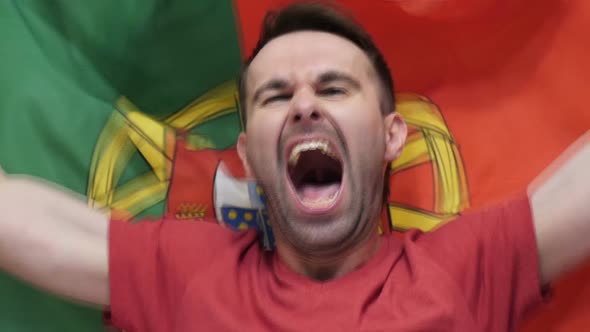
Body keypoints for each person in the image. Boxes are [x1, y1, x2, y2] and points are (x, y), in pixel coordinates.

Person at [0, 2, 588, 331]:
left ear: (392, 137)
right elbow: (24, 225)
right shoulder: (189, 274)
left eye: (333, 88)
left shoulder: (463, 268)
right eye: (276, 96)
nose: (304, 104)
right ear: (250, 155)